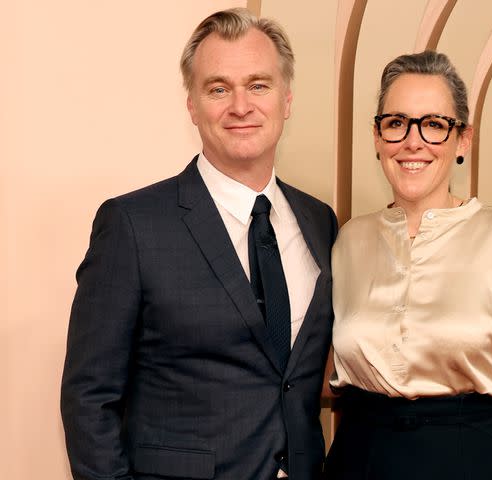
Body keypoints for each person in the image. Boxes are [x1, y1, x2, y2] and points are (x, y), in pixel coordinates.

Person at [61, 8, 337, 480]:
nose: (240, 106)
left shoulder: (319, 221)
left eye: (258, 85)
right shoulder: (131, 225)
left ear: (286, 99)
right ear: (192, 104)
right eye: (218, 88)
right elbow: (89, 398)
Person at [325, 50, 492, 479]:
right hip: (361, 459)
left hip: (472, 460)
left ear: (462, 139)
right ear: (377, 138)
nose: (413, 142)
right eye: (396, 124)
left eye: (433, 125)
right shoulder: (347, 241)